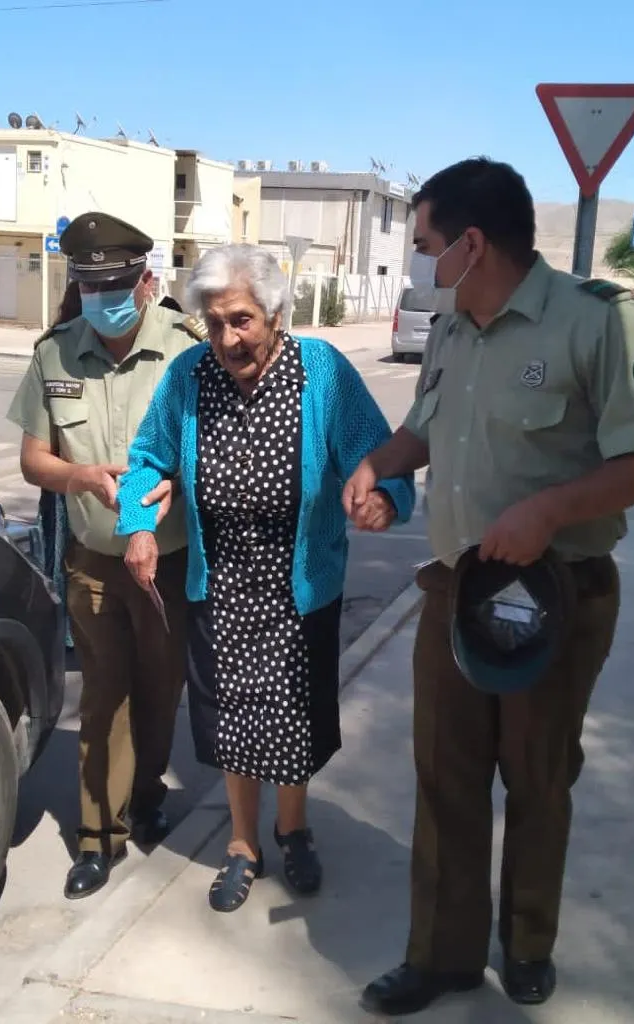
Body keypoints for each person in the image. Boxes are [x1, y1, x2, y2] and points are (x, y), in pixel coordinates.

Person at [345, 158, 634, 1015]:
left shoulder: (599, 324)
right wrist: (377, 465)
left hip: (556, 598)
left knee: (537, 778)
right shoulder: (450, 327)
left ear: (472, 244)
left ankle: (526, 943)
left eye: (426, 245)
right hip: (454, 589)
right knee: (444, 778)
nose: (419, 262)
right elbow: (424, 429)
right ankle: (441, 956)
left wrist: (550, 511)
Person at [115, 244, 416, 912]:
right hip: (218, 587)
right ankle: (244, 844)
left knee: (295, 720)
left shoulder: (324, 374)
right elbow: (146, 458)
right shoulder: (189, 377)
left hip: (301, 585)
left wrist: (387, 495)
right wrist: (138, 523)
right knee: (232, 722)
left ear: (276, 314)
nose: (228, 338)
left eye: (242, 320)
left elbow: (379, 451)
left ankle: (294, 827)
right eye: (216, 322)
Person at [7, 211, 208, 900]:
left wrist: (177, 483)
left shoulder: (190, 349)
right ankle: (99, 837)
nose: (102, 300)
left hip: (171, 562)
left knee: (160, 690)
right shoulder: (55, 353)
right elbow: (35, 458)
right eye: (88, 287)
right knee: (101, 698)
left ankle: (146, 791)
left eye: (115, 285)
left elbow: (216, 449)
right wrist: (79, 477)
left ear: (145, 281)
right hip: (94, 560)